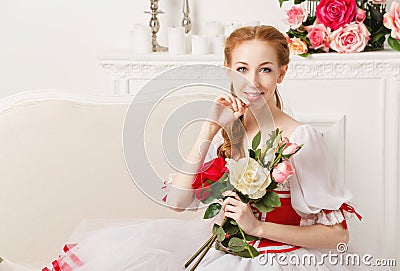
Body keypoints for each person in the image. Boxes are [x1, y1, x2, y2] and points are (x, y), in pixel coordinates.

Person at [0, 25, 372, 271]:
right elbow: (178, 202)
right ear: (227, 70)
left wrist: (256, 226)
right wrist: (209, 130)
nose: (252, 81)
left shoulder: (301, 138)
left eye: (265, 69)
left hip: (278, 258)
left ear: (282, 72)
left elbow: (338, 235)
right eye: (241, 69)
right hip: (221, 252)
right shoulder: (228, 133)